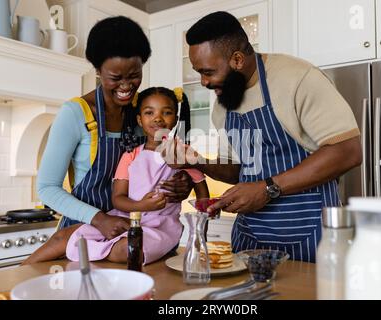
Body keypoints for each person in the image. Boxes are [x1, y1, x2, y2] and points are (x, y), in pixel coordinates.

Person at [162, 11, 362, 263]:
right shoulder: (223, 106)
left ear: (237, 59)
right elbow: (239, 171)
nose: (203, 82)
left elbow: (347, 151)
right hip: (250, 237)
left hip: (310, 236)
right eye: (198, 72)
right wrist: (197, 162)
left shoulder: (297, 78)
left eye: (208, 72)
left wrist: (267, 188)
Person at [35, 16, 194, 242]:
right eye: (116, 78)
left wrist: (182, 182)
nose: (126, 86)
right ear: (98, 70)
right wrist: (100, 219)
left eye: (134, 75)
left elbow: (161, 166)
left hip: (132, 228)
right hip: (84, 230)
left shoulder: (143, 112)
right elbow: (47, 188)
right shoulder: (75, 113)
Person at [23, 87, 209, 265]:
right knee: (62, 237)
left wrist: (201, 235)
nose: (158, 119)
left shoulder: (183, 153)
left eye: (166, 113)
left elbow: (203, 194)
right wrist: (141, 206)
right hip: (120, 219)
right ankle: (14, 278)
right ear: (139, 119)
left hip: (159, 227)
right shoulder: (130, 156)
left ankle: (92, 255)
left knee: (127, 249)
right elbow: (118, 198)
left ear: (175, 119)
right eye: (149, 113)